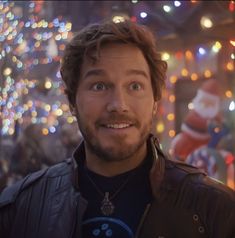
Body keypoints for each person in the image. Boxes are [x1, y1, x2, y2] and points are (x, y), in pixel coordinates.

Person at [0, 20, 234, 238]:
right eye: (99, 86)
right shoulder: (21, 206)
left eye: (135, 85)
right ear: (72, 101)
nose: (118, 105)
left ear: (154, 101)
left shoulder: (216, 209)